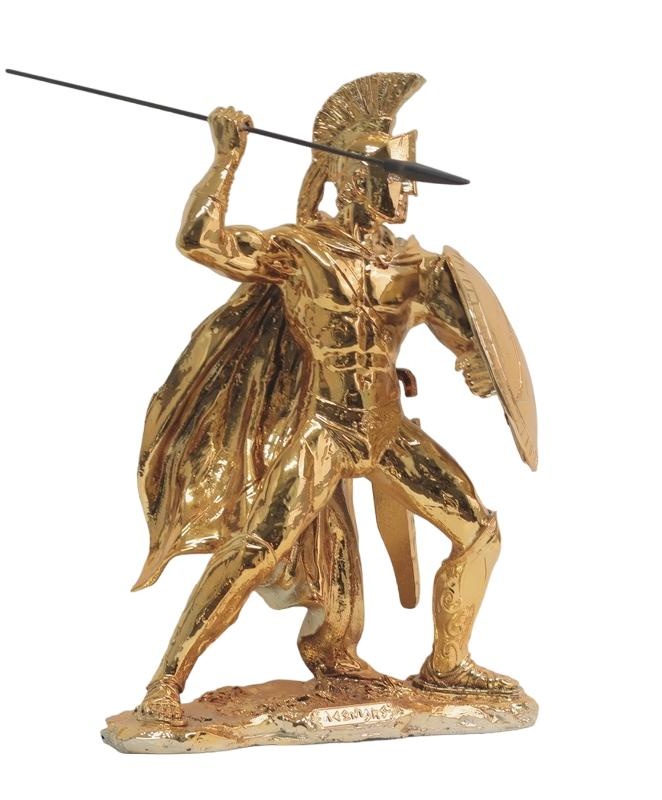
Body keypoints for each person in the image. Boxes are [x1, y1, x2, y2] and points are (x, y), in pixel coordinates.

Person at [133, 73, 525, 724]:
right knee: (255, 549)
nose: (410, 190)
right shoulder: (301, 252)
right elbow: (201, 241)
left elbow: (475, 350)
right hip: (325, 431)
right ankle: (165, 683)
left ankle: (448, 664)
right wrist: (226, 159)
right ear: (358, 178)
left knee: (479, 531)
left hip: (389, 433)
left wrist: (481, 372)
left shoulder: (416, 267)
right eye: (400, 176)